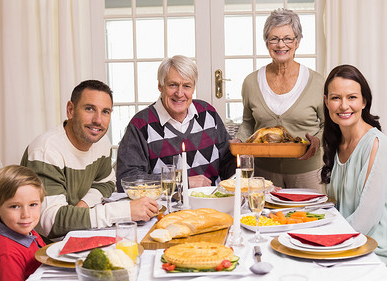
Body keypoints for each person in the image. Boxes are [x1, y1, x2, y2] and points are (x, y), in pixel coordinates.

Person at [21, 80, 158, 241]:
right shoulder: (46, 151)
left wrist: (84, 204)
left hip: (77, 232)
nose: (98, 120)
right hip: (46, 246)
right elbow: (52, 223)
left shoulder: (101, 143)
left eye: (105, 112)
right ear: (70, 110)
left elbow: (106, 183)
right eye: (89, 109)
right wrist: (123, 211)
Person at [321, 64, 387, 279]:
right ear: (326, 101)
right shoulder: (338, 142)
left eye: (351, 97)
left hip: (379, 256)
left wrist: (321, 241)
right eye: (335, 98)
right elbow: (335, 205)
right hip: (349, 248)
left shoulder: (376, 144)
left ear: (364, 101)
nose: (343, 106)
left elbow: (366, 218)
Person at [234, 8, 324, 192]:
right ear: (267, 43)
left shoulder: (317, 82)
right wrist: (239, 140)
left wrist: (317, 141)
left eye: (288, 38)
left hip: (307, 172)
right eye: (274, 38)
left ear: (297, 42)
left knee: (310, 219)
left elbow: (328, 124)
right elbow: (248, 123)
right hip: (263, 173)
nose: (280, 44)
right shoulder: (251, 82)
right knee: (265, 219)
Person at [116, 55, 236, 192]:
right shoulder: (141, 125)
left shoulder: (208, 113)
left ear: (193, 88)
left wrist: (240, 161)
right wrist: (182, 181)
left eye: (186, 86)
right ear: (160, 86)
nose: (179, 93)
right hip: (164, 208)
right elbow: (127, 179)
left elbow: (227, 160)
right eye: (173, 85)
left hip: (213, 202)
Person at [0, 165, 46, 281]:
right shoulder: (5, 254)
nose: (26, 214)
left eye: (33, 204)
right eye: (15, 206)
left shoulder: (29, 233)